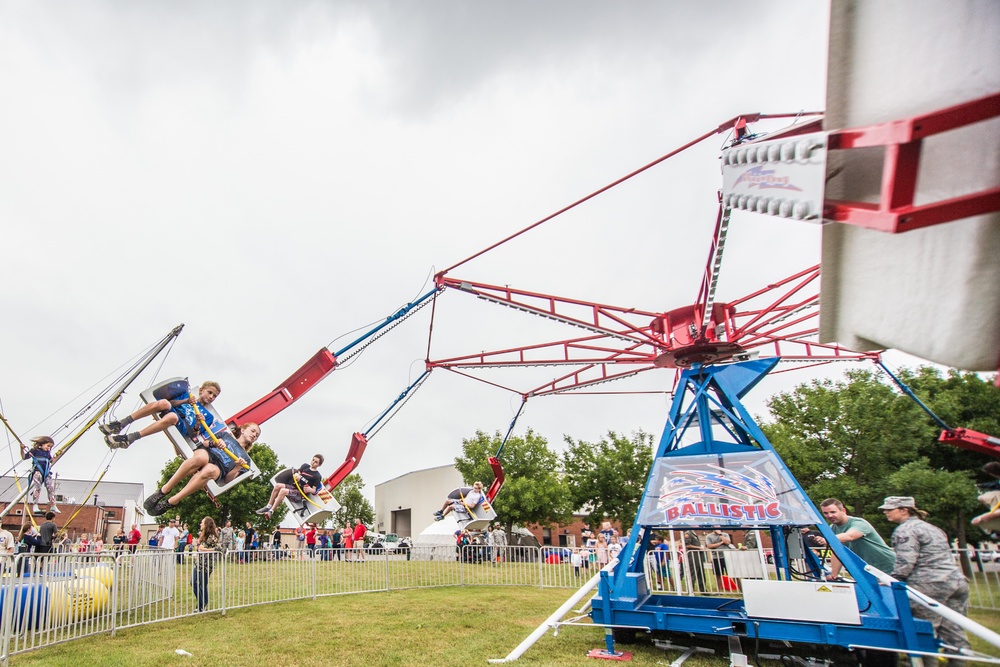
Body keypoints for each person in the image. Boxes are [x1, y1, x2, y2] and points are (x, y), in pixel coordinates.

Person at [881, 496, 971, 666]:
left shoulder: (905, 530)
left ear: (904, 510)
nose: (885, 512)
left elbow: (906, 562)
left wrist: (892, 580)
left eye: (889, 509)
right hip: (956, 582)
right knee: (955, 632)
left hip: (929, 585)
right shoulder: (933, 528)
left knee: (925, 633)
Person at [143, 422, 260, 516]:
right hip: (208, 453)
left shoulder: (246, 460)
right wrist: (215, 443)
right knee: (200, 459)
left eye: (257, 435)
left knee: (210, 470)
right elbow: (205, 443)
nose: (254, 435)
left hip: (218, 467)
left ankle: (172, 501)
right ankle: (163, 490)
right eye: (253, 431)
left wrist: (237, 467)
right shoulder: (225, 436)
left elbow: (228, 479)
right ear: (243, 430)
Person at [101, 380, 222, 449]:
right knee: (163, 403)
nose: (211, 397)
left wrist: (198, 423)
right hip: (173, 410)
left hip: (182, 425)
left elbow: (195, 434)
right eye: (209, 392)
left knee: (173, 417)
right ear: (201, 390)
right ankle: (122, 423)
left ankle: (131, 438)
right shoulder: (188, 395)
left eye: (214, 396)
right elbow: (171, 403)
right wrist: (186, 401)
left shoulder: (209, 416)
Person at [820, 498, 896, 579]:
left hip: (888, 567)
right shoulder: (832, 528)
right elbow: (838, 552)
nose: (830, 516)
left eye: (833, 512)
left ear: (843, 511)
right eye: (826, 513)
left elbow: (849, 536)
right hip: (868, 570)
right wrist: (833, 575)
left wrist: (827, 539)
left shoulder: (859, 523)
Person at [255, 455, 324, 519]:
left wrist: (309, 489)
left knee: (283, 491)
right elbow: (297, 474)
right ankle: (268, 506)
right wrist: (297, 475)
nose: (313, 463)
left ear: (319, 465)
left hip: (300, 494)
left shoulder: (317, 476)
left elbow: (314, 490)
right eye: (313, 460)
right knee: (277, 486)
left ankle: (271, 511)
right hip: (294, 487)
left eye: (316, 462)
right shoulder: (305, 466)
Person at [22, 436, 61, 514]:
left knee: (50, 489)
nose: (49, 448)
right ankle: (35, 504)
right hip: (38, 471)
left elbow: (51, 461)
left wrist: (58, 455)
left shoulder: (47, 453)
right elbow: (24, 457)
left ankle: (53, 505)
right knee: (37, 488)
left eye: (50, 447)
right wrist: (22, 449)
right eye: (48, 446)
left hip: (46, 472)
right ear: (42, 444)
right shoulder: (35, 451)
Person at [191, 516, 219, 612]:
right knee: (193, 582)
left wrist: (205, 550)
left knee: (202, 585)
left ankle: (201, 605)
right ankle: (202, 603)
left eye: (202, 522)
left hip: (207, 564)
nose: (200, 524)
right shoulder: (201, 535)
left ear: (206, 524)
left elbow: (218, 549)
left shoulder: (212, 537)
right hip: (198, 562)